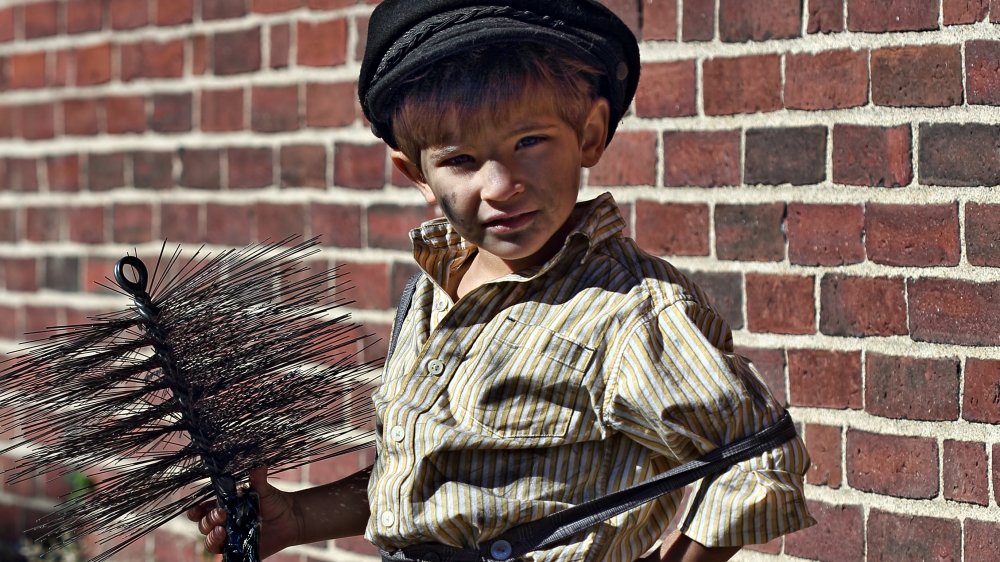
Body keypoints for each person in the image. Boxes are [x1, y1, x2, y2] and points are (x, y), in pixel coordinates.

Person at [188, 1, 815, 560]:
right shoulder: (433, 293)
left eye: (530, 141)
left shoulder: (627, 312)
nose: (501, 185)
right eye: (461, 159)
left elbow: (757, 454)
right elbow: (437, 482)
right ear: (416, 173)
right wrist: (296, 519)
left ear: (590, 135)